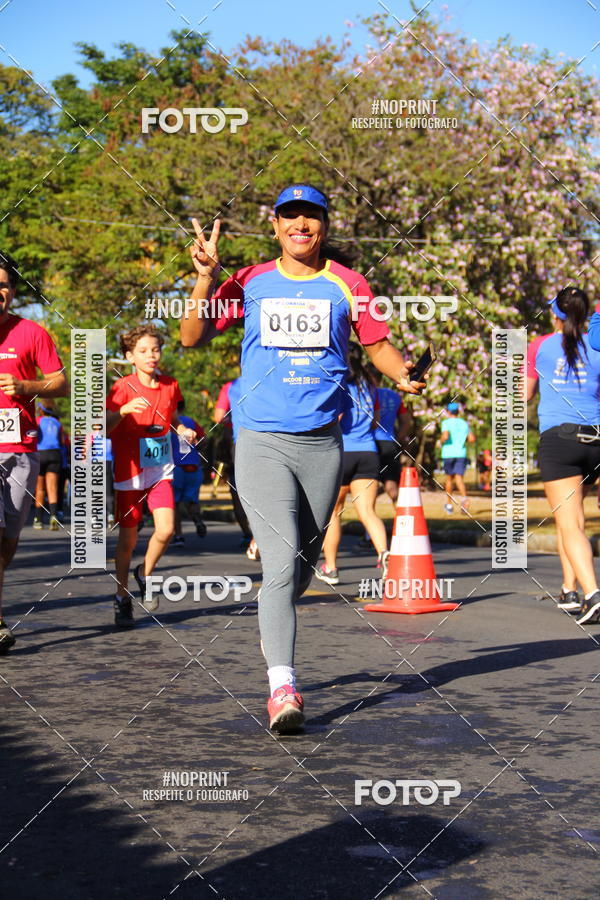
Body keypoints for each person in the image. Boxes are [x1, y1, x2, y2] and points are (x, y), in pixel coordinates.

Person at [181, 182, 425, 733]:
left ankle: (277, 615)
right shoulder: (248, 281)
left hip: (323, 443)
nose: (300, 224)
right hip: (261, 438)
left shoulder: (348, 284)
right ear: (274, 226)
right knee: (279, 558)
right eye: (289, 215)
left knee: (303, 566)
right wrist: (203, 277)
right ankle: (283, 685)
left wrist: (402, 373)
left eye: (310, 216)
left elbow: (376, 344)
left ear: (323, 225)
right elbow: (192, 335)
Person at [106, 325, 198, 627]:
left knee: (166, 530)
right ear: (130, 356)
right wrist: (123, 410)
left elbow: (171, 419)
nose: (151, 356)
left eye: (155, 349)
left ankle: (143, 573)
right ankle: (121, 597)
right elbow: (102, 428)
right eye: (143, 351)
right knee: (128, 539)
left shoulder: (171, 385)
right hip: (129, 470)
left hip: (160, 467)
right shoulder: (120, 388)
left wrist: (183, 430)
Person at [0, 251, 68, 652]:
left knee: (8, 540)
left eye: (4, 285)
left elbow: (60, 383)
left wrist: (25, 388)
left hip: (22, 449)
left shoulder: (32, 332)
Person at [528, 288, 600, 625]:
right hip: (596, 439)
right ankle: (570, 589)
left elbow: (523, 394)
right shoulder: (597, 344)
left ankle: (592, 593)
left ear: (554, 313)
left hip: (560, 439)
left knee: (568, 522)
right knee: (574, 520)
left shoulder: (539, 346)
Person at [316, 342, 389, 586]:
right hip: (368, 451)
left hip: (342, 452)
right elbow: (375, 420)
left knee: (333, 512)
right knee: (368, 512)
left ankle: (332, 568)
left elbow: (335, 417)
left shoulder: (339, 384)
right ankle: (384, 557)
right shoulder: (370, 386)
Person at [213, 378, 255, 554]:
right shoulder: (267, 378)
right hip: (267, 439)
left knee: (238, 489)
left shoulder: (231, 386)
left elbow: (218, 417)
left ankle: (248, 534)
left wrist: (233, 418)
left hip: (238, 442)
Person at [368, 363, 411, 504]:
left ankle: (369, 519)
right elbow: (405, 421)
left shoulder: (366, 394)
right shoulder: (395, 396)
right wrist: (398, 439)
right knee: (391, 483)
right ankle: (401, 519)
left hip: (370, 444)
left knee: (369, 485)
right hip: (390, 444)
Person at [171, 398, 206, 546]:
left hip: (176, 467)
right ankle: (197, 520)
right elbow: (203, 439)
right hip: (193, 466)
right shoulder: (191, 422)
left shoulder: (168, 422)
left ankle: (179, 536)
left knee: (175, 504)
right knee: (193, 500)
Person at [33, 404, 65, 530]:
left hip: (41, 453)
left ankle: (38, 520)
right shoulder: (57, 423)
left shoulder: (37, 421)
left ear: (41, 410)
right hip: (55, 454)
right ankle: (53, 516)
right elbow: (62, 441)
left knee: (40, 488)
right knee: (53, 488)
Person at [440, 402, 475, 514]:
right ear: (458, 411)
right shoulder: (464, 423)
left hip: (448, 453)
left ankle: (449, 505)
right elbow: (472, 439)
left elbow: (445, 436)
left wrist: (439, 441)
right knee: (459, 479)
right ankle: (464, 499)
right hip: (461, 453)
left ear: (448, 412)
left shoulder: (446, 422)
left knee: (449, 479)